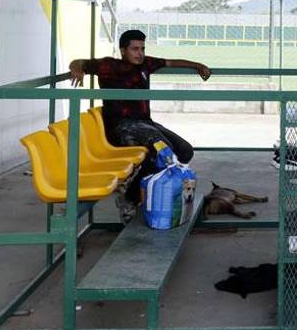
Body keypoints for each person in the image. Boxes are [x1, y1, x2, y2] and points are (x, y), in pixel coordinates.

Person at [68, 30, 211, 209]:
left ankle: (140, 183)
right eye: (134, 49)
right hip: (122, 126)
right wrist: (76, 69)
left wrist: (197, 65)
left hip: (145, 123)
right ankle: (130, 197)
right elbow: (79, 62)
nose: (140, 53)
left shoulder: (146, 64)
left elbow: (170, 62)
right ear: (123, 51)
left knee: (185, 151)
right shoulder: (109, 65)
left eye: (142, 49)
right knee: (163, 152)